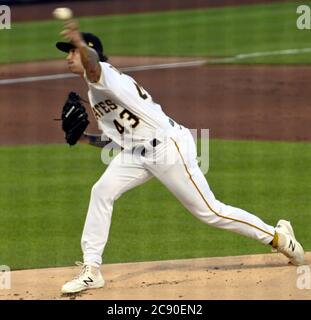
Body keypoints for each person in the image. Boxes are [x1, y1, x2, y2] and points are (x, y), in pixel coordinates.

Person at [56, 20, 305, 294]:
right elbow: (116, 139)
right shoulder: (95, 93)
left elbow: (92, 62)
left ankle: (278, 238)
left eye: (71, 51)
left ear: (87, 52)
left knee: (209, 211)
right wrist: (82, 138)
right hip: (137, 154)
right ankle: (92, 270)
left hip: (168, 147)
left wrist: (79, 42)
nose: (68, 57)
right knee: (101, 191)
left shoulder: (104, 75)